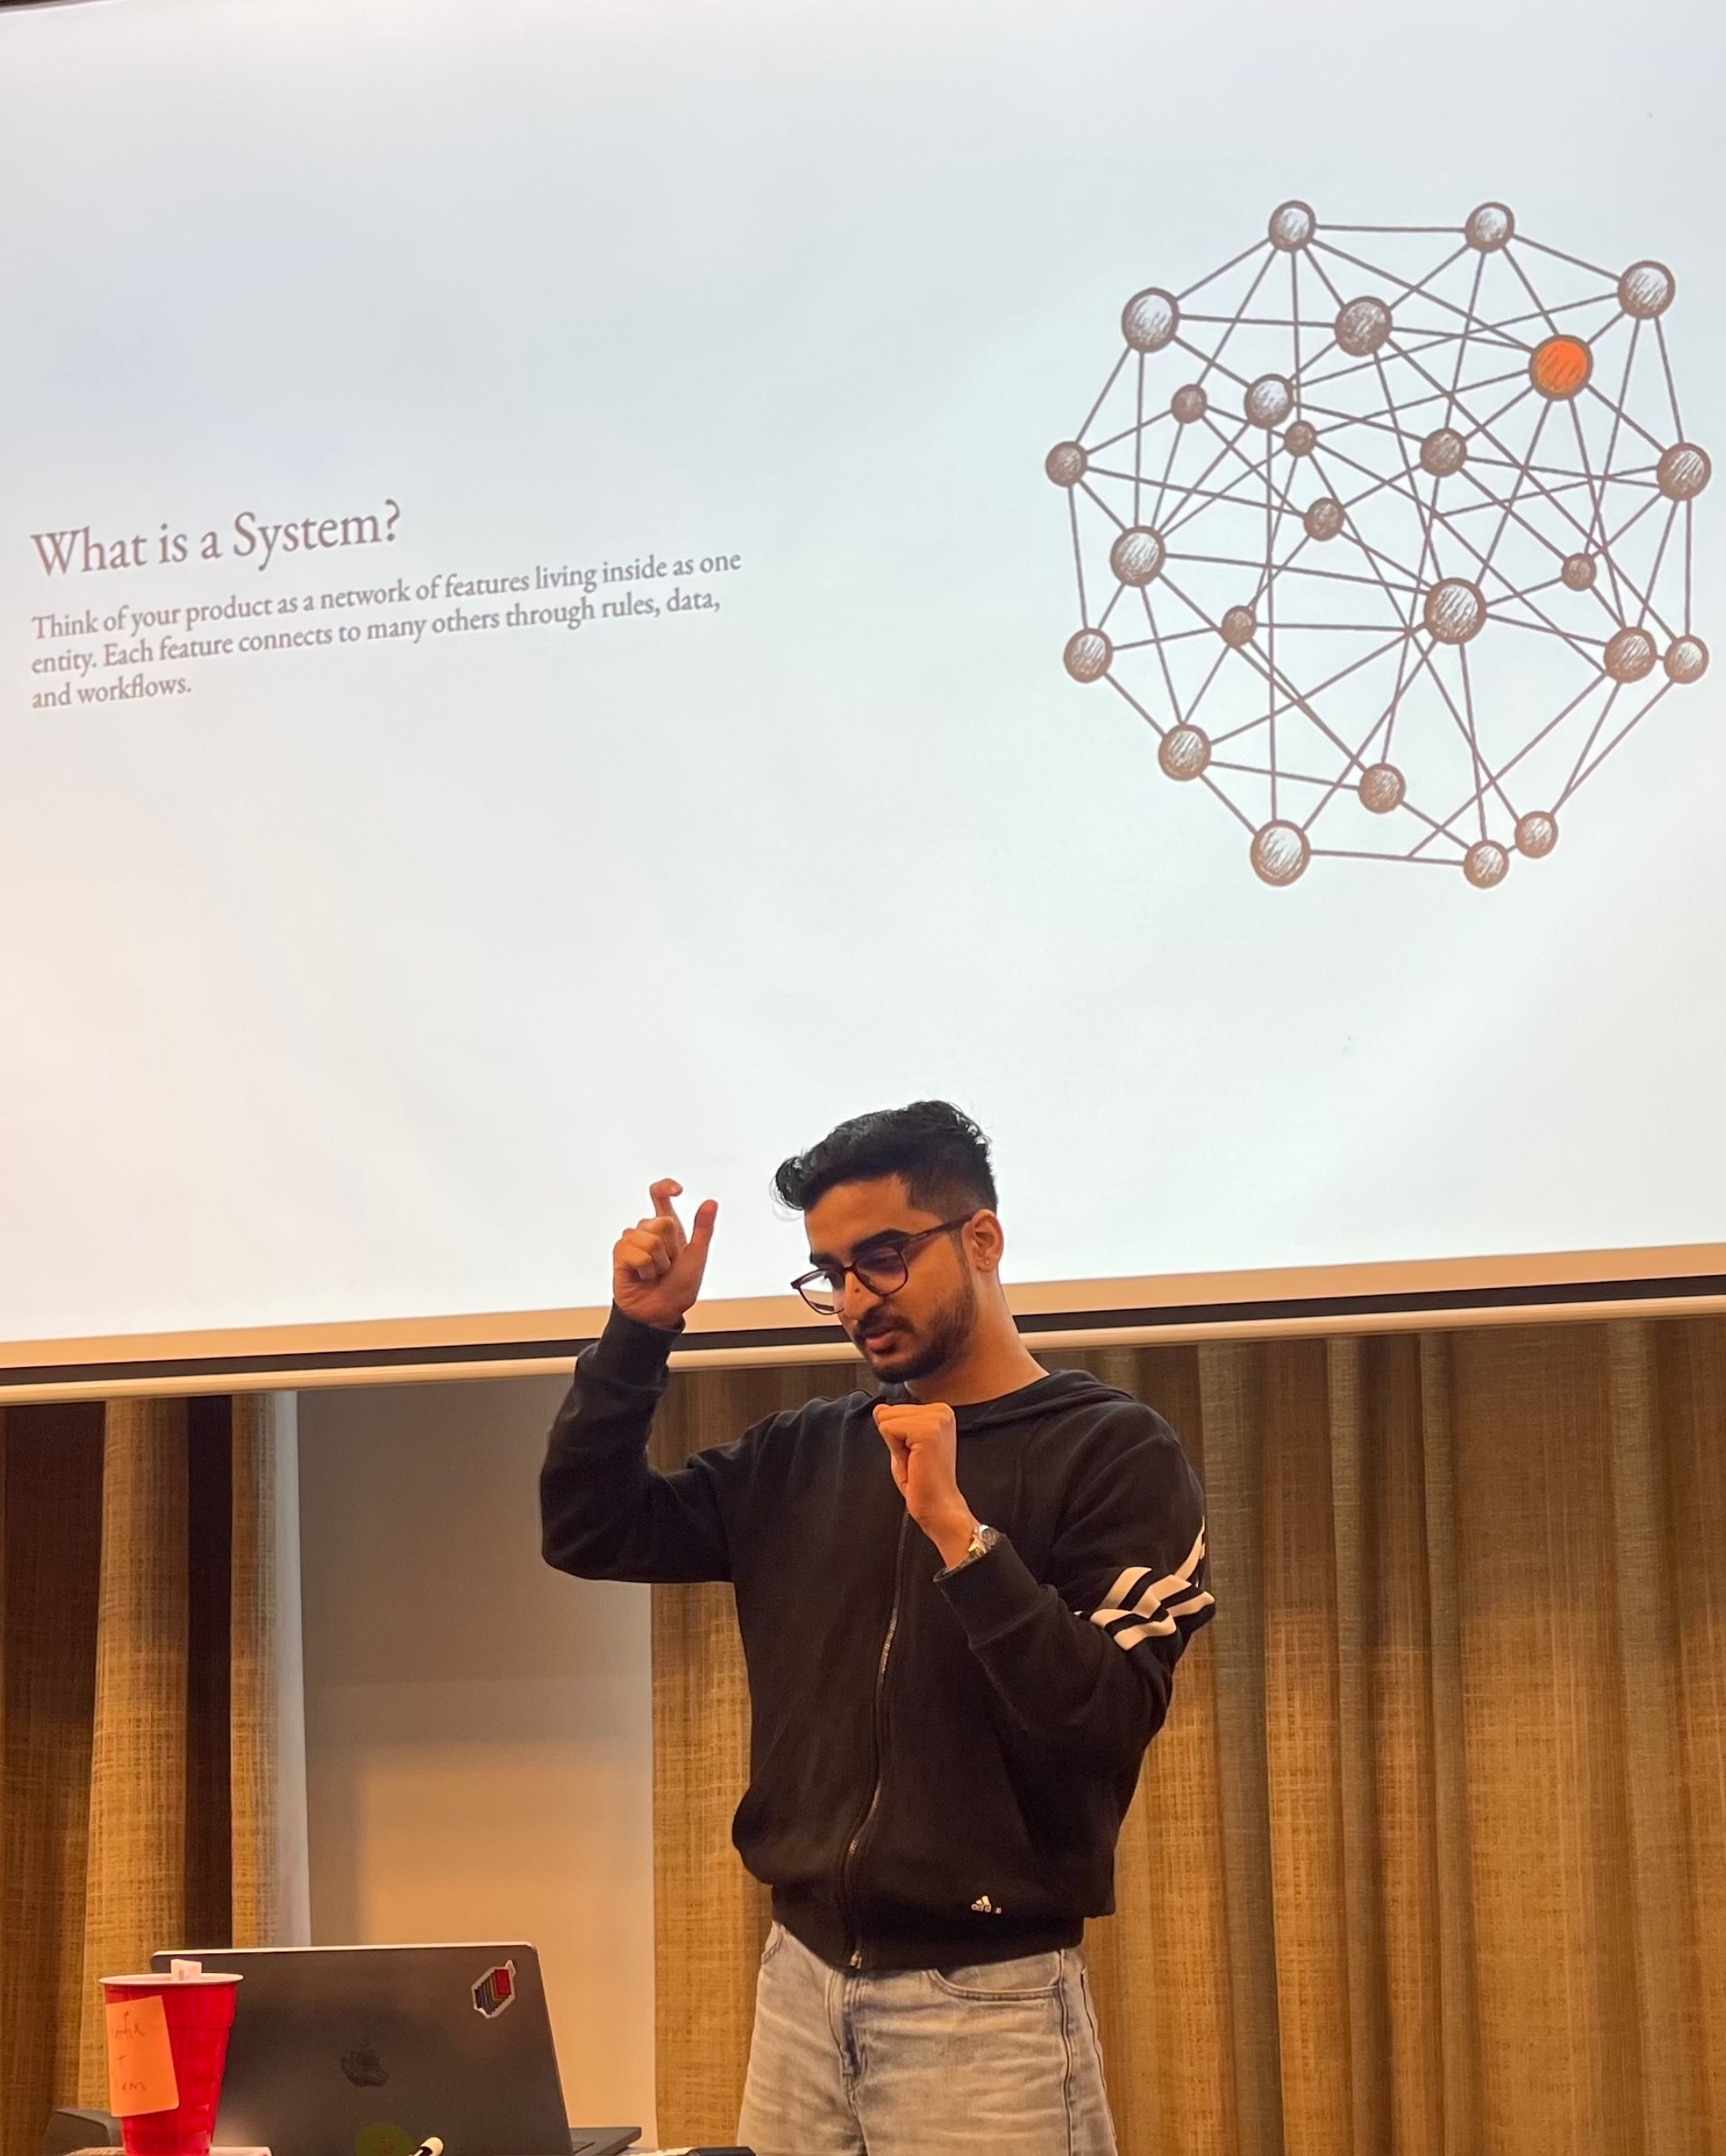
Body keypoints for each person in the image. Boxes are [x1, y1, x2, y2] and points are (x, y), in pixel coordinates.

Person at [540, 1101, 1213, 2156]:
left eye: (883, 1258)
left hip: (985, 2007)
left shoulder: (1112, 1450)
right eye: (832, 1272)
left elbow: (1102, 1716)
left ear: (981, 1239)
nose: (856, 1298)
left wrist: (959, 1535)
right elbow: (589, 1529)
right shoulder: (803, 1451)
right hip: (799, 1988)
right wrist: (638, 1333)